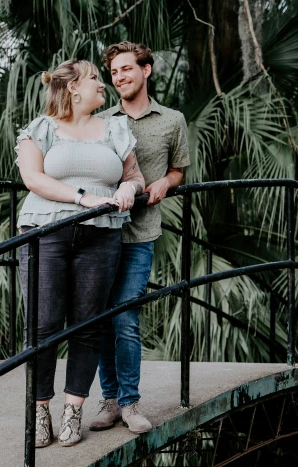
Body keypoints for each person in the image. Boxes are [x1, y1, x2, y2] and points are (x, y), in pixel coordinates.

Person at [14, 59, 145, 448]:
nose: (103, 86)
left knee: (89, 325)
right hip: (44, 233)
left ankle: (73, 412)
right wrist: (83, 198)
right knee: (43, 325)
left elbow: (134, 175)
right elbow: (33, 178)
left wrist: (129, 190)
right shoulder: (40, 129)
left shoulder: (116, 127)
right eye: (94, 80)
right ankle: (40, 413)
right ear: (72, 88)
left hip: (102, 236)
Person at [90, 42, 190, 434]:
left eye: (126, 70)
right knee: (100, 318)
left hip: (140, 233)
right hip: (99, 233)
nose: (119, 78)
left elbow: (180, 169)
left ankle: (130, 404)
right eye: (114, 73)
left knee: (126, 316)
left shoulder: (172, 120)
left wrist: (166, 181)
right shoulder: (100, 120)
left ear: (146, 70)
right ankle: (110, 402)